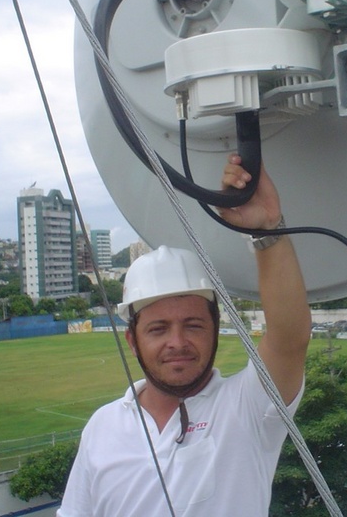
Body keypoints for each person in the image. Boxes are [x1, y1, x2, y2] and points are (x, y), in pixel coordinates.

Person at [57, 154, 311, 516]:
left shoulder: (246, 408)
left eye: (193, 325)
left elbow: (289, 338)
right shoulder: (103, 427)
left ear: (215, 332)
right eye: (158, 329)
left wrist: (266, 229)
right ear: (133, 341)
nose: (177, 342)